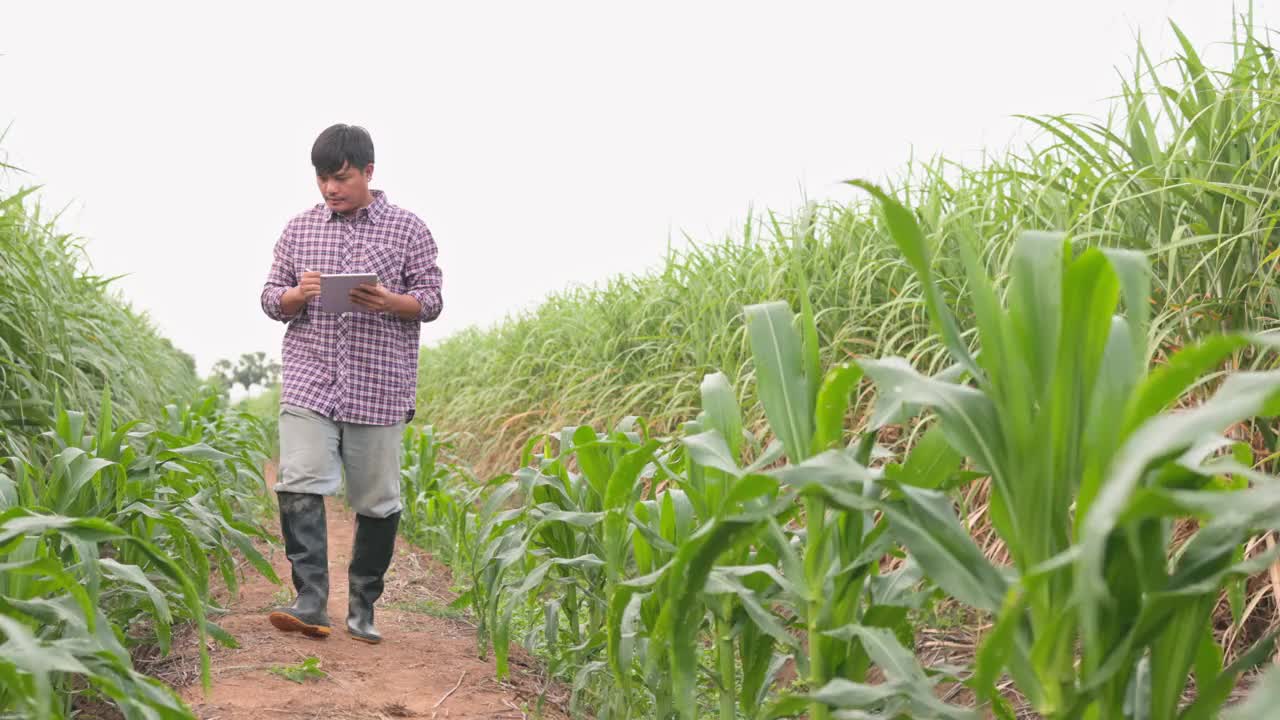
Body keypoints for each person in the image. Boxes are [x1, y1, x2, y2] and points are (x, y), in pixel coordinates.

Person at [259, 123, 442, 644]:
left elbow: (430, 299)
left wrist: (392, 301)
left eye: (340, 178)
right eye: (321, 179)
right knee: (297, 478)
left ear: (368, 172)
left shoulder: (409, 230)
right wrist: (295, 296)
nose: (330, 189)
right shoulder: (298, 230)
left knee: (377, 500)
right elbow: (271, 297)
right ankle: (311, 600)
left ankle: (363, 606)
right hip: (310, 378)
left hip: (379, 385)